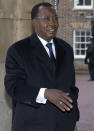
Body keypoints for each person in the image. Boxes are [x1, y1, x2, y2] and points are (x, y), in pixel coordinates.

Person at [4, 2, 79, 131]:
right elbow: (14, 87)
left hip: (64, 124)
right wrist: (44, 93)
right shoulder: (18, 50)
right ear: (34, 22)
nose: (52, 23)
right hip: (32, 125)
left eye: (55, 18)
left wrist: (73, 114)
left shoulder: (66, 49)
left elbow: (71, 87)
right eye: (46, 18)